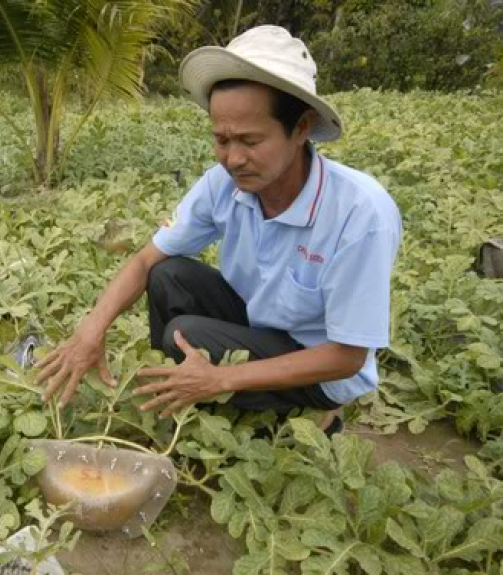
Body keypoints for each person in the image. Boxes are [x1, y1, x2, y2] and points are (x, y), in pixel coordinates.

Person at [35, 25, 402, 435]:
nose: (233, 158)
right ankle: (195, 388)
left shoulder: (360, 213)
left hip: (321, 366)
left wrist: (222, 378)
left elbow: (348, 356)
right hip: (262, 326)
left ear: (301, 128)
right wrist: (91, 329)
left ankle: (309, 416)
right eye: (221, 139)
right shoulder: (222, 184)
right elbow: (145, 260)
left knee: (183, 335)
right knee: (168, 274)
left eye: (249, 140)